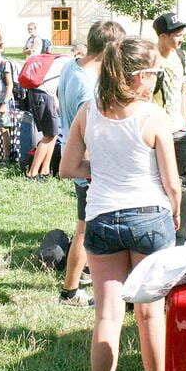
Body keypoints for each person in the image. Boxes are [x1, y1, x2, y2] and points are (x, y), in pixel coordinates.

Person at [60, 36, 180, 371]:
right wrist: (176, 210)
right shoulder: (153, 116)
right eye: (155, 73)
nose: (157, 79)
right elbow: (172, 182)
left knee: (108, 316)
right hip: (150, 216)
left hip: (102, 217)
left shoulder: (88, 111)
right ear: (140, 76)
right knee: (151, 315)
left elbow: (67, 168)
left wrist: (101, 170)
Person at [57, 21, 126, 307]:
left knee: (86, 227)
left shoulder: (70, 66)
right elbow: (88, 134)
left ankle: (85, 274)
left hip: (76, 157)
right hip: (86, 165)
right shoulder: (87, 87)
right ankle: (69, 292)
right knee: (84, 230)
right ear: (111, 48)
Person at [151, 13, 186, 186]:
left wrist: (185, 122)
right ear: (162, 37)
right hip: (155, 128)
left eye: (182, 34)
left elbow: (183, 90)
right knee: (162, 177)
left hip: (179, 127)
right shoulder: (150, 59)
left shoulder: (181, 56)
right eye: (177, 35)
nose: (182, 38)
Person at [24, 53, 69, 179]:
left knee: (54, 134)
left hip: (40, 94)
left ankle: (45, 170)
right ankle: (32, 173)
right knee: (49, 135)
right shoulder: (69, 62)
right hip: (44, 96)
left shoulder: (59, 60)